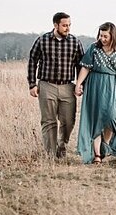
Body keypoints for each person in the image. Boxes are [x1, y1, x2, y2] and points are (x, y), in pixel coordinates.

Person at [74, 22, 116, 164]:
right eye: (100, 35)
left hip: (113, 86)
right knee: (95, 119)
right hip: (95, 85)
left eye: (105, 36)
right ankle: (97, 155)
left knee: (112, 117)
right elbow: (85, 68)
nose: (102, 38)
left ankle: (106, 145)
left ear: (112, 36)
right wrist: (78, 84)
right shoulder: (94, 48)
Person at [28, 12, 84, 159]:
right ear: (55, 25)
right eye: (64, 25)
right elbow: (32, 61)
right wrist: (32, 84)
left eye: (69, 25)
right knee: (49, 121)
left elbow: (81, 65)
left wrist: (80, 84)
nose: (68, 28)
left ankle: (62, 144)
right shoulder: (42, 40)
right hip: (47, 85)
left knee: (68, 120)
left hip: (67, 86)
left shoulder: (75, 42)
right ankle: (50, 154)